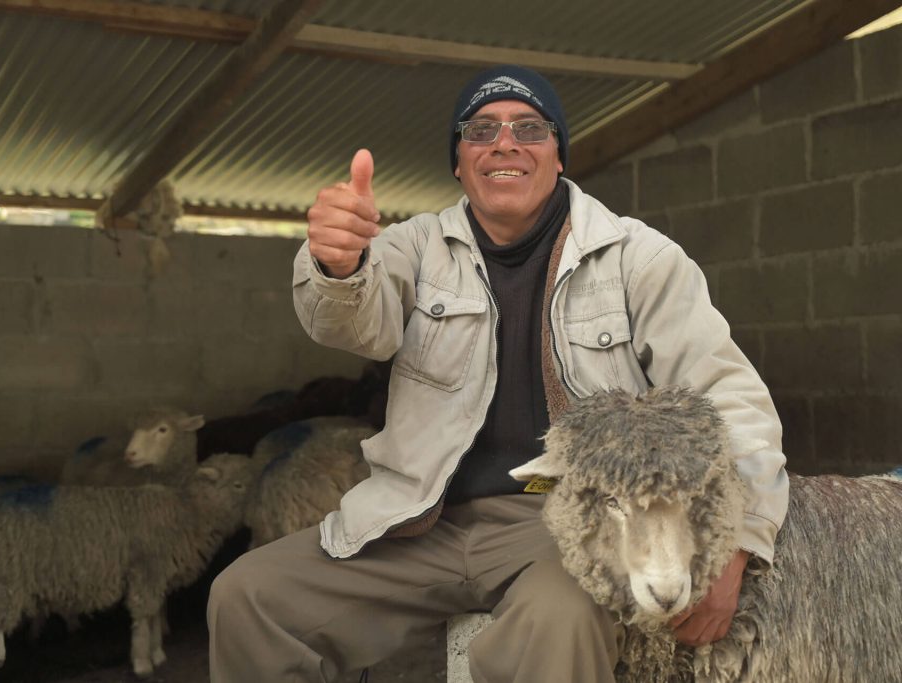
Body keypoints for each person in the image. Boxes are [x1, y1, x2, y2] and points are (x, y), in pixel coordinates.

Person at [208, 65, 788, 682]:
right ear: (459, 163)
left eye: (529, 128)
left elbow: (729, 398)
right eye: (481, 130)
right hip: (418, 521)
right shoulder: (414, 247)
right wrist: (336, 264)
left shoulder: (637, 258)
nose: (504, 143)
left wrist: (738, 542)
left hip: (569, 528)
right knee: (248, 596)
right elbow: (351, 324)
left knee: (564, 620)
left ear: (558, 155)